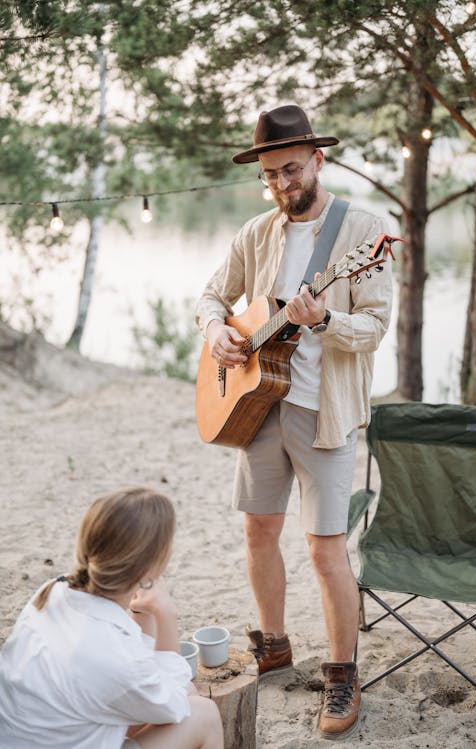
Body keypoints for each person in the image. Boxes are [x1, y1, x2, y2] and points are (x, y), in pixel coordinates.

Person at [195, 104, 393, 740]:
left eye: (291, 170)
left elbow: (374, 327)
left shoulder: (363, 232)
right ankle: (275, 643)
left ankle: (341, 672)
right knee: (258, 530)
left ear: (318, 160)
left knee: (324, 548)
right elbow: (209, 295)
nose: (283, 184)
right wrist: (217, 330)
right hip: (257, 406)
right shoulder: (257, 233)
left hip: (324, 412)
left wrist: (325, 321)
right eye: (271, 175)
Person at [0, 486, 223, 749]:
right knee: (203, 714)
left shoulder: (54, 590)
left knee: (187, 694)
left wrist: (143, 610)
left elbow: (141, 671)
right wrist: (165, 613)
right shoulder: (111, 655)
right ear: (152, 562)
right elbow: (171, 704)